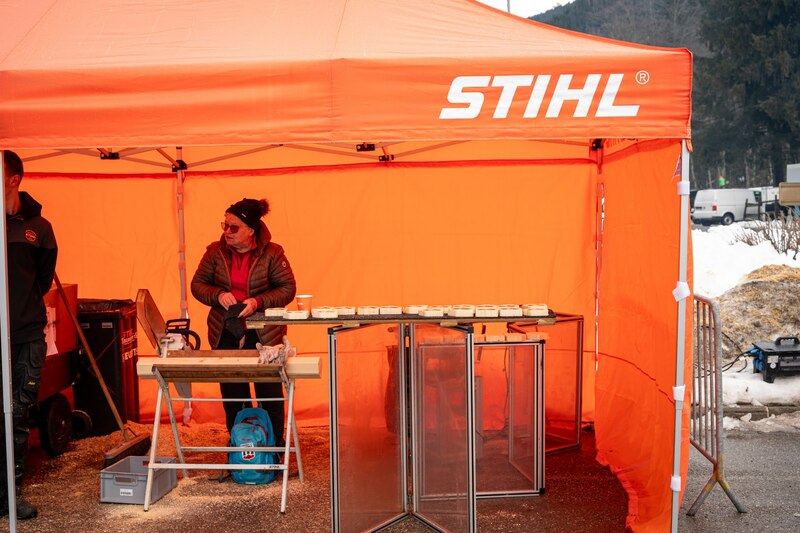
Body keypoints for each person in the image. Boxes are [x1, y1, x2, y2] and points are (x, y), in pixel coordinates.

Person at [191, 198, 296, 440]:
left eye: (234, 227)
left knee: (269, 392)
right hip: (225, 330)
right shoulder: (214, 252)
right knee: (233, 393)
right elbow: (197, 285)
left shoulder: (273, 253)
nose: (227, 231)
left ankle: (274, 447)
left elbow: (287, 289)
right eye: (225, 225)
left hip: (264, 333)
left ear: (251, 230)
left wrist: (257, 302)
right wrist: (218, 295)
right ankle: (240, 445)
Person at [1, 150, 57, 519]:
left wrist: (20, 309)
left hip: (26, 336)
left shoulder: (40, 228)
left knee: (18, 413)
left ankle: (12, 494)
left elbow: (42, 278)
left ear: (14, 179)